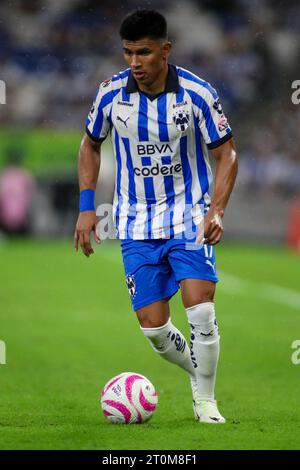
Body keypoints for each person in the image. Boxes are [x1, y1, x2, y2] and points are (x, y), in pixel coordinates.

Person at [74, 9, 238, 424]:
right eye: (128, 52)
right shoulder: (110, 94)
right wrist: (86, 208)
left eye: (143, 52)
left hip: (189, 216)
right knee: (154, 328)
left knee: (199, 307)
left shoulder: (198, 94)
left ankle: (205, 400)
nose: (134, 62)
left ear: (165, 50)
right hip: (135, 222)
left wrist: (216, 210)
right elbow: (90, 144)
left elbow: (227, 153)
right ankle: (197, 371)